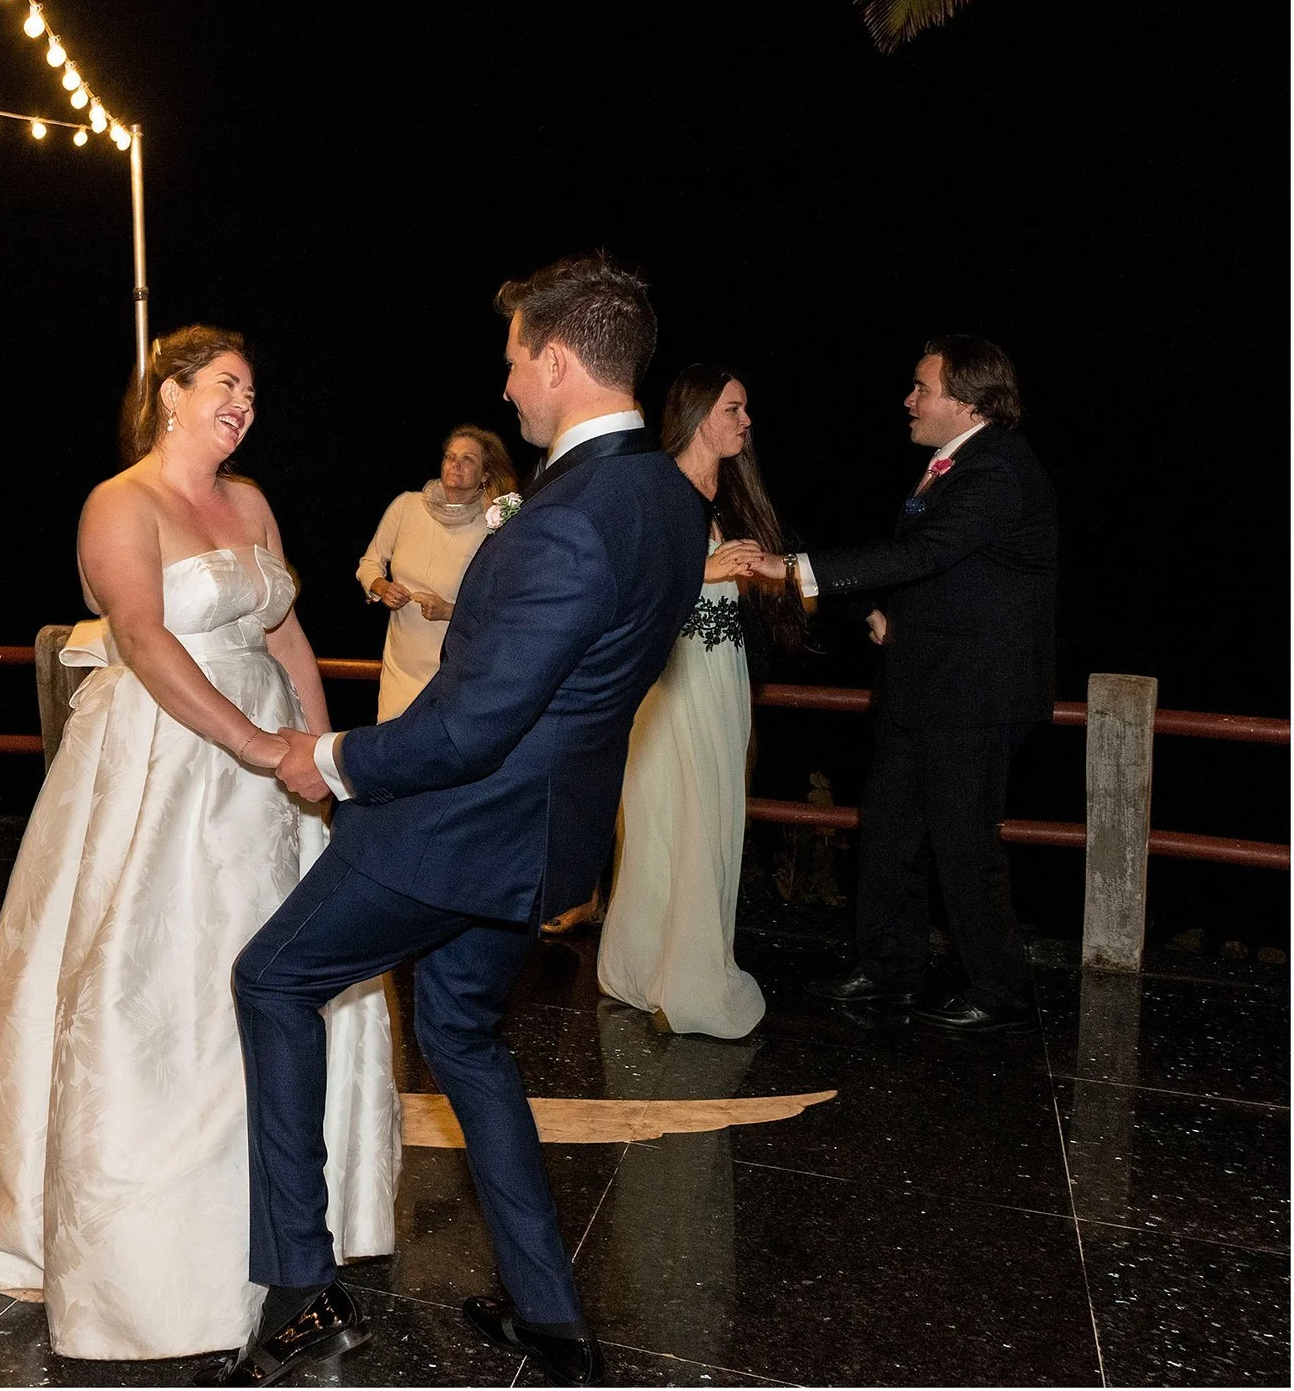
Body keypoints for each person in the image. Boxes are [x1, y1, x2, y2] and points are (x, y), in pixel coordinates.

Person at [236, 256, 707, 1388]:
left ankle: (301, 1293)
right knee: (459, 1037)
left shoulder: (569, 521)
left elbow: (464, 732)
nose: (503, 390)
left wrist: (331, 756)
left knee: (271, 978)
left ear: (555, 358)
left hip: (455, 832)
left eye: (510, 362)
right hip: (544, 839)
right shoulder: (668, 499)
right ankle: (549, 1314)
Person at [0, 327, 399, 1361]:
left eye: (251, 389)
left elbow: (284, 632)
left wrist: (319, 756)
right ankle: (158, 1243)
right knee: (164, 978)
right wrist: (247, 741)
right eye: (226, 384)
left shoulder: (250, 503)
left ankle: (296, 1217)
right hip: (168, 753)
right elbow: (145, 638)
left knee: (289, 967)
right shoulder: (121, 500)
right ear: (169, 392)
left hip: (271, 765)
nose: (243, 402)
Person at [750, 336, 1057, 1035]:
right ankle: (889, 970)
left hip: (972, 696)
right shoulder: (952, 466)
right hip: (921, 684)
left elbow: (925, 553)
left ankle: (1000, 991)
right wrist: (889, 615)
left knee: (963, 843)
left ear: (967, 400)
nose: (908, 400)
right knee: (890, 832)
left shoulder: (998, 470)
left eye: (922, 388)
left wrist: (794, 569)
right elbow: (944, 576)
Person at [598, 364, 806, 1041]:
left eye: (746, 410)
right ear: (697, 415)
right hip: (665, 681)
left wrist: (761, 582)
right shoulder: (656, 488)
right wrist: (702, 568)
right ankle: (651, 972)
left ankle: (687, 968)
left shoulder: (738, 498)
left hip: (724, 678)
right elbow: (625, 587)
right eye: (735, 408)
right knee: (660, 822)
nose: (746, 422)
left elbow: (767, 588)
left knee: (712, 822)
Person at [355, 426, 517, 722]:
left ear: (484, 475)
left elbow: (500, 606)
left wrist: (448, 611)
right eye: (450, 457)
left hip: (452, 673)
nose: (455, 464)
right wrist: (381, 586)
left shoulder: (493, 525)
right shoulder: (407, 506)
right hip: (399, 670)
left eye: (467, 459)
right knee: (392, 756)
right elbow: (369, 563)